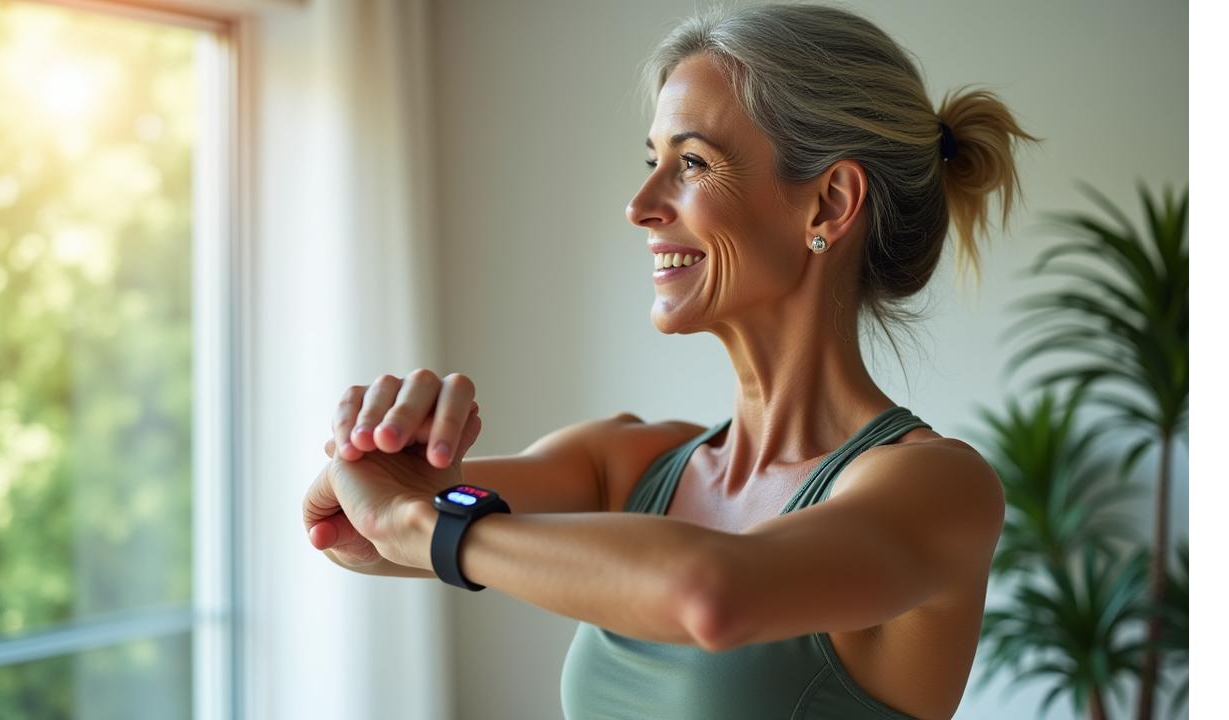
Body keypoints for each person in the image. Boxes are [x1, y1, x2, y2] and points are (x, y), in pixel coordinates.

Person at [303, 3, 1041, 718]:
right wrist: (381, 456)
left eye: (692, 162)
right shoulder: (624, 463)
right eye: (653, 161)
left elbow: (710, 596)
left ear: (829, 203)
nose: (641, 204)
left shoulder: (939, 489)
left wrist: (434, 525)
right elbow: (350, 529)